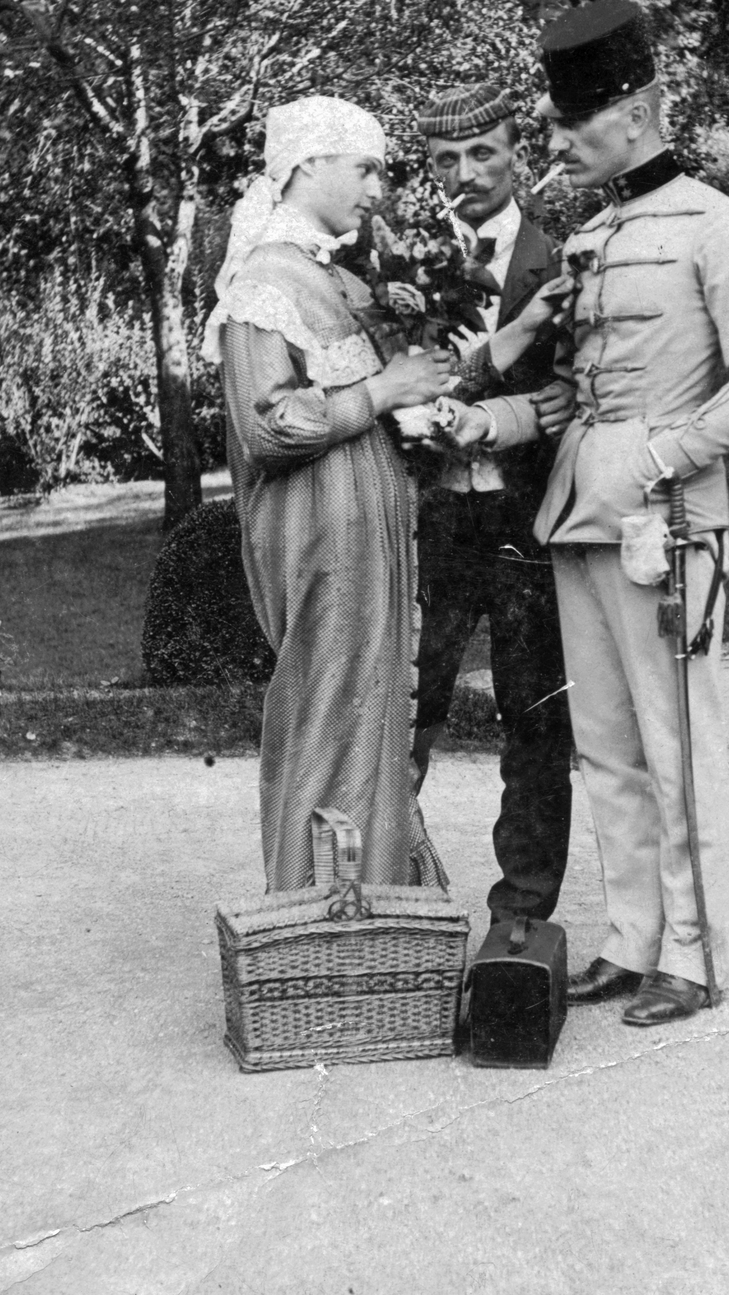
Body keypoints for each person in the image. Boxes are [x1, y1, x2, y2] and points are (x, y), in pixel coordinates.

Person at [473, 0, 729, 1023]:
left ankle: (694, 956)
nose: (559, 141)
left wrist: (664, 451)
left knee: (676, 744)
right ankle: (627, 938)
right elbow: (576, 388)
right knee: (605, 744)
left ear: (640, 110)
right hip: (579, 513)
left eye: (577, 121)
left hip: (667, 519)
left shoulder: (717, 225)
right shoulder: (594, 235)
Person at [202, 94, 454, 891]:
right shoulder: (265, 281)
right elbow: (268, 429)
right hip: (318, 541)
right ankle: (318, 922)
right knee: (329, 713)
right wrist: (383, 393)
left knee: (365, 715)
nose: (378, 187)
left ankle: (373, 918)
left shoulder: (324, 275)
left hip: (357, 540)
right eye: (365, 167)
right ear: (307, 163)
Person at [409, 82, 578, 927]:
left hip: (527, 520)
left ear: (518, 154)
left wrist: (551, 410)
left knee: (536, 716)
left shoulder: (566, 258)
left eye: (484, 153)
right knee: (408, 706)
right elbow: (408, 399)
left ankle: (522, 918)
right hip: (427, 520)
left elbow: (578, 392)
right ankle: (391, 903)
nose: (467, 172)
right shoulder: (396, 265)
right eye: (447, 160)